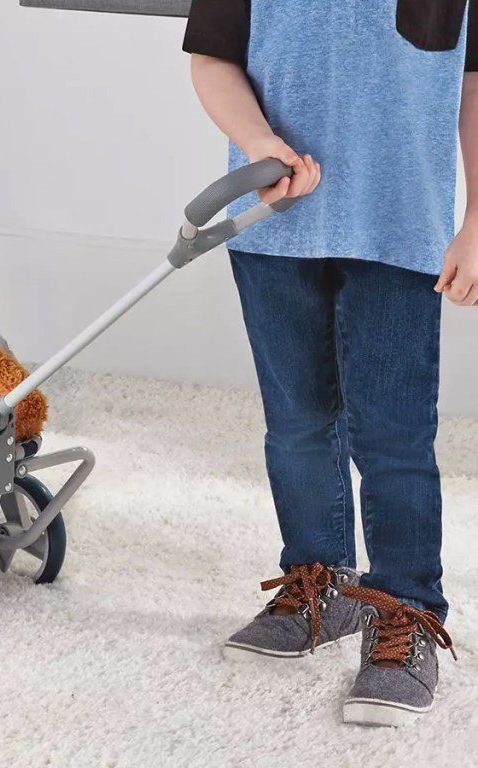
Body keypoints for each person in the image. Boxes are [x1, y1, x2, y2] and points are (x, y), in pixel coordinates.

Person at [183, 0, 476, 727]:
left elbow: (473, 83)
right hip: (273, 228)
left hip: (402, 228)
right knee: (297, 424)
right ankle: (321, 584)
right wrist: (258, 142)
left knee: (394, 437)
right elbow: (212, 58)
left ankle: (406, 611)